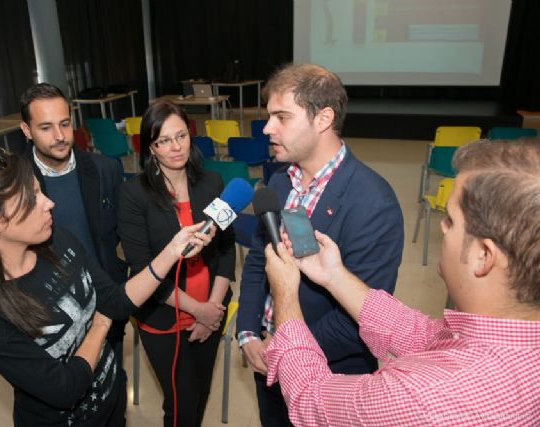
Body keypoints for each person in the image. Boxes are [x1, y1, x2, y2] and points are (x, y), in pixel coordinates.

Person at [263, 138, 540, 427]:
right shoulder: (509, 338)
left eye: (451, 220)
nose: (442, 228)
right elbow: (426, 336)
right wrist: (334, 276)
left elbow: (310, 400)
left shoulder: (422, 395)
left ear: (484, 256)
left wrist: (285, 294)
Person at [0, 148, 214, 427]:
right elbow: (64, 388)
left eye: (39, 190)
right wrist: (101, 326)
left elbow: (116, 301)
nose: (49, 203)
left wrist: (171, 252)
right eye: (32, 199)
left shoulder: (57, 240)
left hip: (112, 403)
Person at [236, 63, 404, 426]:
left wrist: (284, 350)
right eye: (269, 116)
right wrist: (248, 332)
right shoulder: (280, 182)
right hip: (268, 362)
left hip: (329, 377)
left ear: (323, 118)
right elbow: (256, 260)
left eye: (282, 117)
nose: (267, 128)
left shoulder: (373, 203)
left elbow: (359, 317)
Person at [117, 100, 236, 427]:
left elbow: (226, 249)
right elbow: (143, 269)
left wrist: (211, 308)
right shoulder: (133, 194)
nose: (175, 147)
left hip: (211, 311)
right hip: (163, 315)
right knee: (181, 406)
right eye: (164, 141)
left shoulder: (211, 183)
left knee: (199, 395)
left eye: (181, 136)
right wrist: (197, 310)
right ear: (150, 148)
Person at [18, 83, 128, 403]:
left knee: (111, 388)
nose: (60, 136)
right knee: (65, 400)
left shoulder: (106, 169)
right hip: (48, 318)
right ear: (26, 130)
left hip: (105, 303)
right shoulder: (14, 183)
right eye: (46, 127)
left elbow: (121, 235)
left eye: (65, 124)